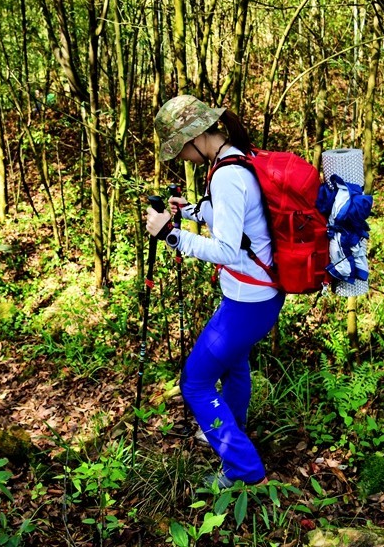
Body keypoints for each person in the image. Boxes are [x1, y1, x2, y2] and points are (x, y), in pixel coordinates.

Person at [145, 95, 284, 489]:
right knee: (234, 365)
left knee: (195, 381)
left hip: (248, 299)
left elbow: (226, 248)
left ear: (195, 136)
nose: (183, 158)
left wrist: (170, 235)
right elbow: (234, 222)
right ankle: (229, 430)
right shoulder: (234, 157)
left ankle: (244, 469)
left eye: (181, 150)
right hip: (260, 294)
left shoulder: (226, 174)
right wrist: (187, 211)